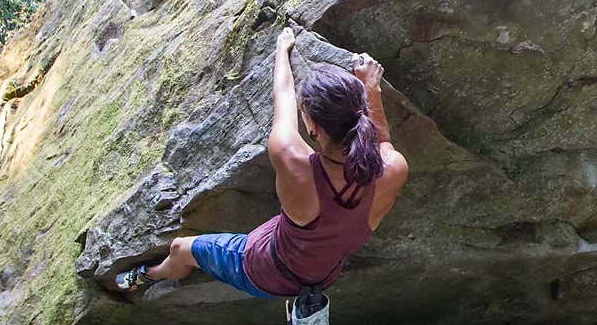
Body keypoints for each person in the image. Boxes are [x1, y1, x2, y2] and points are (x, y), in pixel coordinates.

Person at [115, 26, 409, 296]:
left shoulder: (292, 160)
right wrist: (372, 88)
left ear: (313, 129)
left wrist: (282, 49)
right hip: (322, 274)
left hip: (263, 271)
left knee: (180, 248)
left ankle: (151, 275)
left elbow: (283, 93)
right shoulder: (394, 170)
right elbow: (383, 142)